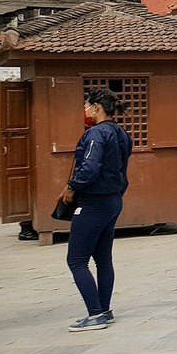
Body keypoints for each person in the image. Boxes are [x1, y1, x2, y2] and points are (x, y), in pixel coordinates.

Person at [62, 88, 133, 331]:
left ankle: (95, 313)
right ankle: (104, 309)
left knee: (76, 260)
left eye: (86, 106)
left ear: (96, 108)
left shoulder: (96, 133)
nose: (85, 111)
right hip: (113, 199)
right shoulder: (122, 133)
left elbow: (90, 168)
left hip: (93, 202)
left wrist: (72, 186)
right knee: (103, 258)